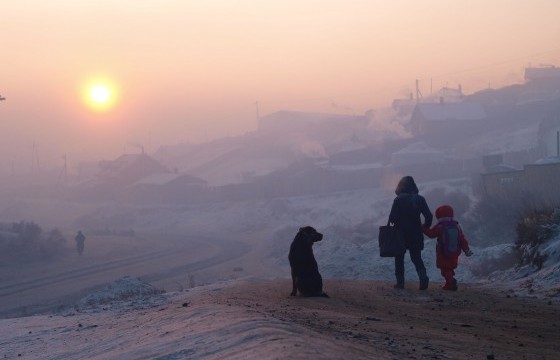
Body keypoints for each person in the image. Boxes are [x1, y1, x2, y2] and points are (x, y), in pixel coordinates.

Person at [388, 176, 433, 290]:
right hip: (415, 233)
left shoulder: (398, 200)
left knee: (399, 258)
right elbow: (429, 216)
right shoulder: (419, 199)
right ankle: (423, 279)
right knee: (416, 257)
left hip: (400, 234)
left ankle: (400, 283)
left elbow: (392, 218)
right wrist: (424, 227)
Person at [422, 205, 473, 291]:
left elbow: (431, 234)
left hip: (443, 252)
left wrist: (423, 228)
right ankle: (449, 283)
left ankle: (451, 282)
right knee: (450, 268)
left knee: (444, 269)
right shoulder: (457, 226)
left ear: (439, 215)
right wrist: (466, 249)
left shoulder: (440, 226)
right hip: (455, 252)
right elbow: (462, 239)